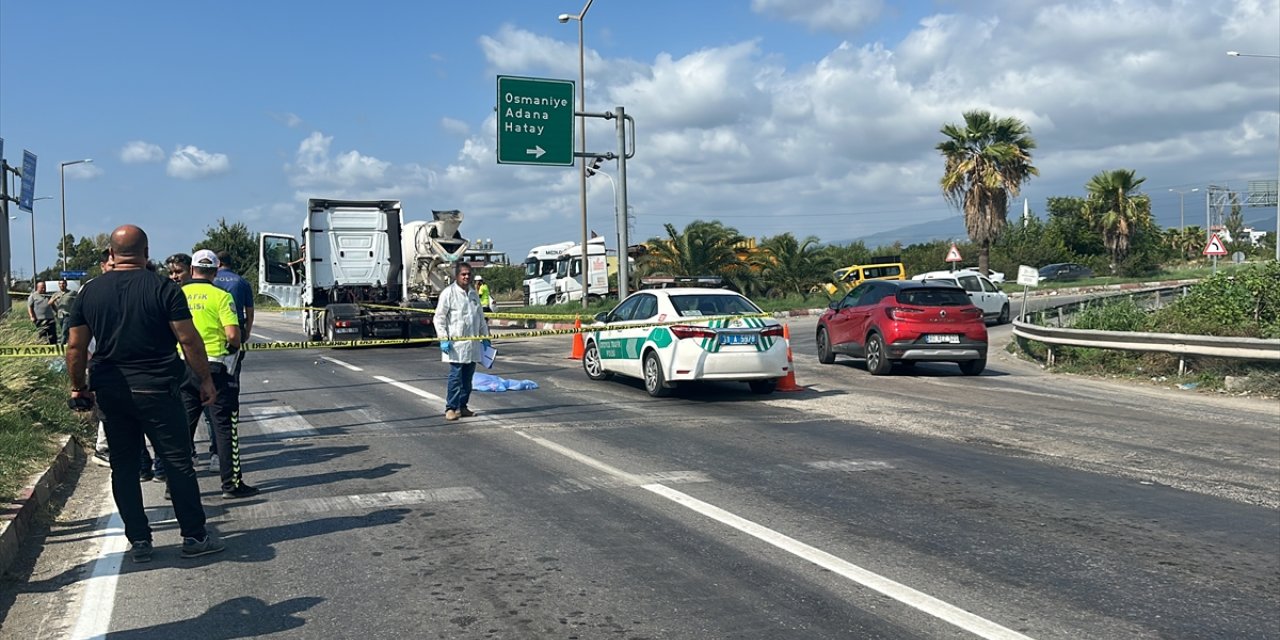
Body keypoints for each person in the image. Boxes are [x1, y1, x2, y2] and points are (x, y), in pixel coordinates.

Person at [65, 225, 225, 562]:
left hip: (112, 390)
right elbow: (189, 339)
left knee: (123, 467)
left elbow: (76, 347)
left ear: (111, 253)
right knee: (178, 462)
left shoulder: (90, 292)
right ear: (146, 252)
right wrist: (205, 380)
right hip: (159, 389)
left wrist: (79, 386)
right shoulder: (164, 287)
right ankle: (194, 537)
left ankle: (139, 541)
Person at [183, 249, 259, 499]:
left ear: (192, 269)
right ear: (215, 272)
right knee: (225, 427)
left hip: (183, 367)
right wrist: (232, 348)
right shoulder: (221, 296)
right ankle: (231, 484)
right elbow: (233, 336)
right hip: (215, 367)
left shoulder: (178, 294)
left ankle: (174, 487)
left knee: (183, 428)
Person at [433, 262, 491, 421]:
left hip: (472, 344)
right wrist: (443, 339)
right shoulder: (449, 293)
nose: (466, 277)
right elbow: (439, 318)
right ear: (456, 276)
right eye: (463, 274)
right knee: (455, 378)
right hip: (456, 345)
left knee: (467, 379)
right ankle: (451, 408)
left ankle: (463, 406)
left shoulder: (473, 294)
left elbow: (480, 318)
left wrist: (485, 336)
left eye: (468, 274)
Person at [51, 279, 79, 345]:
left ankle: (62, 346)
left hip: (68, 315)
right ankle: (69, 343)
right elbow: (49, 303)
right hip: (60, 315)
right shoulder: (56, 294)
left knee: (64, 330)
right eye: (60, 284)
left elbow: (79, 300)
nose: (62, 285)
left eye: (63, 283)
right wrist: (55, 300)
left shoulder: (72, 292)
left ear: (66, 284)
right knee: (65, 331)